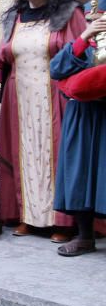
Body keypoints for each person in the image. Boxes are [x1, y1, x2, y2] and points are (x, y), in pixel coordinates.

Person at [0, 0, 86, 242]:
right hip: (20, 98)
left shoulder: (70, 14)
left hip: (55, 97)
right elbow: (5, 56)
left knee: (57, 155)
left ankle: (62, 221)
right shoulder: (15, 17)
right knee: (24, 155)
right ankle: (28, 217)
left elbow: (81, 52)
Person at [49, 15, 106, 256]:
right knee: (79, 174)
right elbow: (57, 69)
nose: (99, 22)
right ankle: (84, 237)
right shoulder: (84, 44)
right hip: (81, 116)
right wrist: (85, 36)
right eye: (94, 19)